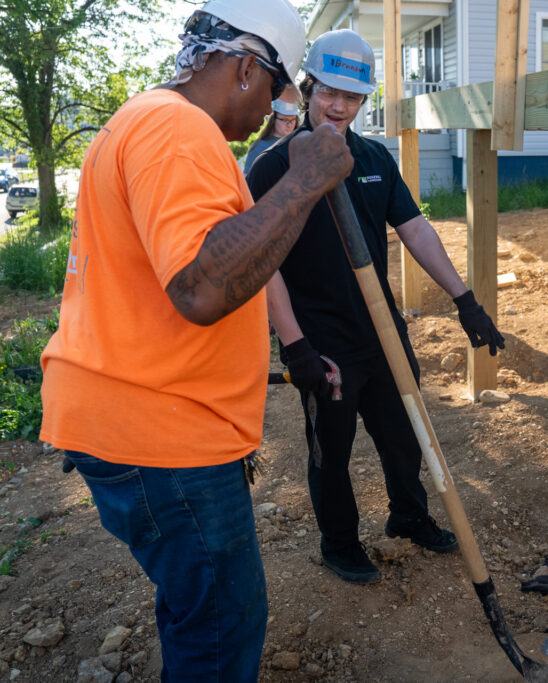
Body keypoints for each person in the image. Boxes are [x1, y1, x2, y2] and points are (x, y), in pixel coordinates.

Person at [38, 1, 354, 679]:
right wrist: (304, 180)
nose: (273, 109)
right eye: (275, 89)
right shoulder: (177, 130)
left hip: (142, 418)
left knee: (198, 603)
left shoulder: (149, 120)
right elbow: (202, 286)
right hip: (161, 436)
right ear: (245, 68)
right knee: (222, 621)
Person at [247, 29, 504, 585]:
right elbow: (263, 266)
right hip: (322, 343)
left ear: (364, 101)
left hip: (382, 330)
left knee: (404, 432)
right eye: (328, 92)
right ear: (309, 88)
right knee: (331, 452)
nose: (339, 106)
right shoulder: (272, 166)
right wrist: (294, 346)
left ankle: (409, 517)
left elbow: (415, 230)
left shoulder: (373, 158)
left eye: (353, 96)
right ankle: (338, 544)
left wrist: (465, 301)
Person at [242, 84, 300, 174]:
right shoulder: (258, 147)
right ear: (273, 120)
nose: (289, 125)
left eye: (293, 120)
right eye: (284, 120)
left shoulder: (300, 145)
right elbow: (247, 180)